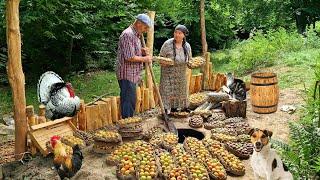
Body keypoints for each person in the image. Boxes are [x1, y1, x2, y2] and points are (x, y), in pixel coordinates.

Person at [116, 14, 153, 118]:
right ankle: (127, 125)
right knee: (128, 100)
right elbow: (129, 57)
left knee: (131, 99)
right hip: (127, 74)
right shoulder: (127, 34)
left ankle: (128, 121)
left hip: (133, 73)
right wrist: (145, 59)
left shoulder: (136, 34)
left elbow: (131, 50)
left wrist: (142, 51)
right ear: (139, 23)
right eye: (145, 27)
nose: (146, 30)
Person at [159, 24, 192, 114]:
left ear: (184, 35)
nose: (177, 35)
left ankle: (175, 110)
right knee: (167, 92)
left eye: (179, 33)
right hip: (168, 74)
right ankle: (165, 112)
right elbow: (160, 58)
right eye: (175, 32)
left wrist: (192, 64)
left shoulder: (187, 46)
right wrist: (165, 63)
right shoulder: (167, 44)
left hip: (180, 74)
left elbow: (190, 61)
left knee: (179, 93)